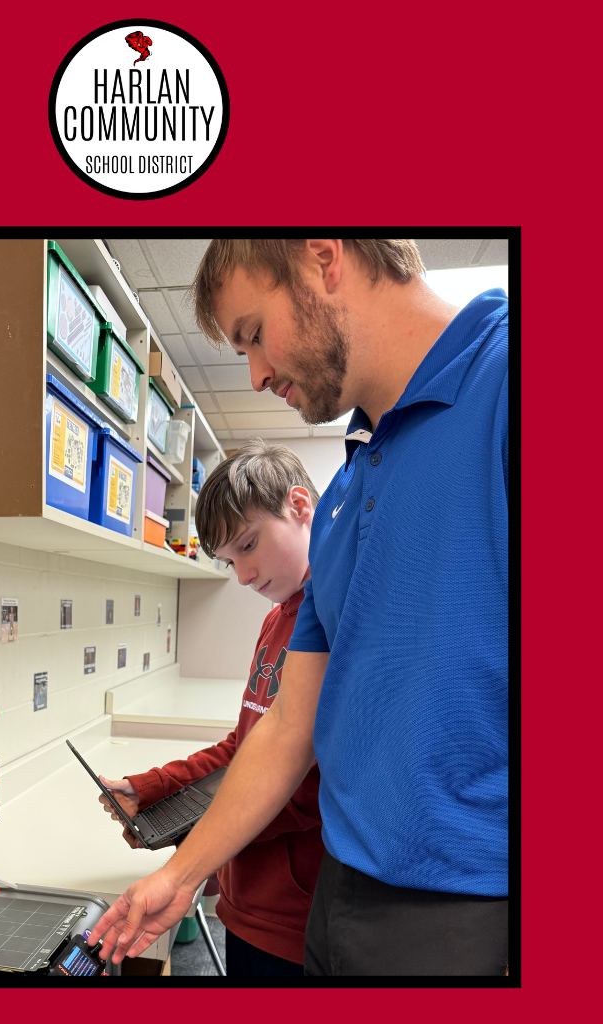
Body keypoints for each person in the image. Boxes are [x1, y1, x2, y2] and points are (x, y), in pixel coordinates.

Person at [88, 239, 508, 976]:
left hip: (472, 909)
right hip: (341, 900)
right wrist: (179, 877)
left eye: (253, 333)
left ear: (323, 256)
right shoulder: (348, 495)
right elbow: (287, 725)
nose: (255, 375)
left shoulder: (508, 382)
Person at [98, 440, 324, 976]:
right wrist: (153, 788)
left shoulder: (332, 621)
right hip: (247, 900)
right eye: (229, 560)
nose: (242, 576)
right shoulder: (276, 621)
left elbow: (301, 783)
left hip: (295, 914)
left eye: (248, 545)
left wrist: (188, 840)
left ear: (299, 507)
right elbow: (246, 748)